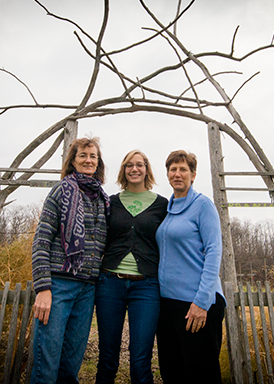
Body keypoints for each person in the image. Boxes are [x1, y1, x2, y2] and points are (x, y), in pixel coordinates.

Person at [31, 137, 110, 384]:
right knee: (47, 362)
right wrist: (43, 288)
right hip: (59, 286)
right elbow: (41, 240)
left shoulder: (103, 199)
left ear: (98, 162)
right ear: (73, 161)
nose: (88, 160)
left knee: (71, 365)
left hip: (87, 288)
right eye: (83, 155)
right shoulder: (61, 191)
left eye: (93, 156)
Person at [95, 150, 168, 384]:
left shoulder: (162, 204)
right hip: (110, 284)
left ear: (147, 169)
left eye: (139, 165)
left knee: (140, 358)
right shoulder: (110, 202)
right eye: (129, 165)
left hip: (146, 286)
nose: (134, 169)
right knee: (107, 355)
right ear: (123, 170)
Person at [155, 150, 226, 384]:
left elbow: (214, 252)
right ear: (167, 174)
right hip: (167, 304)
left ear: (193, 175)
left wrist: (202, 302)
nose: (177, 174)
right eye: (173, 169)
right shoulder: (168, 208)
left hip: (196, 304)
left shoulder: (203, 205)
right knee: (172, 371)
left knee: (200, 374)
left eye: (183, 169)